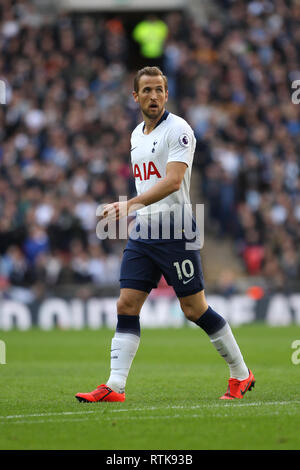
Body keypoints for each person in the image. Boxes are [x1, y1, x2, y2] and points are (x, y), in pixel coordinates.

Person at [75, 66, 255, 403]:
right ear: (136, 96)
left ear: (167, 94)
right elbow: (149, 180)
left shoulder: (180, 130)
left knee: (193, 309)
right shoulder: (135, 135)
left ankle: (241, 374)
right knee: (127, 303)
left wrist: (130, 204)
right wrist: (136, 209)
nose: (153, 96)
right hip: (144, 229)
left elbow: (173, 181)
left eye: (159, 89)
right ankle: (115, 386)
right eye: (147, 90)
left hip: (176, 229)